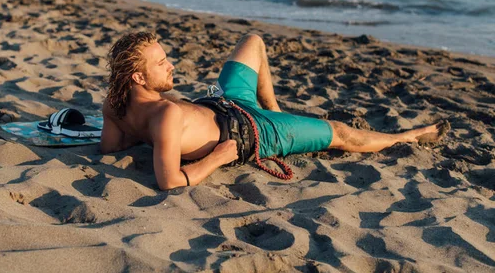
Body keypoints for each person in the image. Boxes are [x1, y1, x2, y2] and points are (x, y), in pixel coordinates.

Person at [100, 31, 449, 190]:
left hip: (222, 103)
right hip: (250, 133)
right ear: (138, 76)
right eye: (162, 63)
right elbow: (170, 181)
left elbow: (111, 147)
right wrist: (217, 158)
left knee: (253, 41)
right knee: (339, 134)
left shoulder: (115, 105)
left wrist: (157, 140)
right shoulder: (165, 114)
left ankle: (277, 112)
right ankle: (409, 136)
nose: (172, 66)